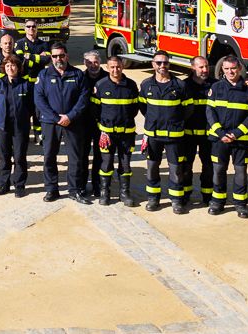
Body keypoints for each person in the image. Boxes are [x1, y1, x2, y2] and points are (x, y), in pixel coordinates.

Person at [206, 55, 248, 218]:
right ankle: (218, 202)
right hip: (219, 140)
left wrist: (236, 133)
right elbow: (210, 112)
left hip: (241, 141)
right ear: (222, 70)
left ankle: (240, 204)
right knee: (219, 171)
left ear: (240, 69)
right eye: (226, 69)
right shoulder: (216, 88)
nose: (230, 72)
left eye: (233, 68)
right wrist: (221, 133)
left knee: (240, 173)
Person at [35, 45, 86, 202]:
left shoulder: (77, 74)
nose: (58, 59)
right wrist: (57, 118)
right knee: (49, 156)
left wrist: (70, 116)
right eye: (55, 56)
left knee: (75, 158)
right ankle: (52, 189)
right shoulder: (43, 75)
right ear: (51, 58)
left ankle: (74, 189)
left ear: (67, 56)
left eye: (61, 56)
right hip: (51, 123)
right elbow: (39, 99)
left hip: (73, 122)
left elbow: (83, 99)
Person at [139, 55, 190, 214]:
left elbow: (188, 109)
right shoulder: (146, 84)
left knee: (176, 169)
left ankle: (176, 200)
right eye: (159, 62)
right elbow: (143, 107)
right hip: (153, 135)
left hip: (174, 135)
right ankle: (153, 198)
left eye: (165, 62)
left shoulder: (180, 85)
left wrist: (176, 122)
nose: (162, 65)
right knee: (152, 167)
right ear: (153, 64)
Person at [93, 55, 140, 206]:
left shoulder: (131, 85)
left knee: (125, 164)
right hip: (107, 134)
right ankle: (104, 192)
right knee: (106, 164)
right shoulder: (100, 85)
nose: (115, 70)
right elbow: (95, 109)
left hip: (127, 134)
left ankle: (124, 193)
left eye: (118, 66)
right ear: (107, 68)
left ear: (122, 66)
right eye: (112, 67)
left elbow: (134, 108)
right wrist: (103, 129)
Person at [0, 54, 35, 196]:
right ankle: (4, 184)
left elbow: (32, 107)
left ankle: (20, 185)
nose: (10, 68)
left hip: (20, 127)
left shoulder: (26, 85)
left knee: (19, 157)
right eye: (8, 66)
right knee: (4, 156)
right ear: (4, 68)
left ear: (18, 67)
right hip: (2, 126)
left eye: (13, 65)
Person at [180, 56, 214, 204]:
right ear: (193, 68)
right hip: (188, 135)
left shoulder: (216, 85)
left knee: (209, 167)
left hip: (209, 135)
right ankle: (186, 194)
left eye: (206, 66)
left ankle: (208, 196)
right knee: (186, 167)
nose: (205, 70)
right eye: (201, 67)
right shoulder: (183, 86)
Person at [80, 50, 106, 197]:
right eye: (89, 62)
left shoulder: (107, 78)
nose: (93, 65)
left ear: (100, 62)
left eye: (95, 62)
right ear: (85, 63)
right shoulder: (80, 78)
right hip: (83, 124)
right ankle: (82, 185)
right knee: (82, 156)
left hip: (102, 125)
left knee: (100, 156)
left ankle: (97, 185)